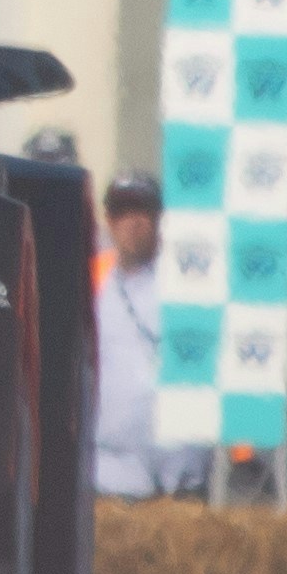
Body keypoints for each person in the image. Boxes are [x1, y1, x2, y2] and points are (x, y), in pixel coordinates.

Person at [89, 168, 197, 500]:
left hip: (179, 466)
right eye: (122, 211)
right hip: (113, 466)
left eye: (143, 211)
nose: (133, 222)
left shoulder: (186, 284)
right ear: (109, 221)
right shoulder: (95, 283)